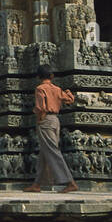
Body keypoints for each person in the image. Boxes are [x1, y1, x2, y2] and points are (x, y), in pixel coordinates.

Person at [24, 65, 78, 193]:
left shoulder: (40, 88)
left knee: (52, 150)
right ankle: (37, 184)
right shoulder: (57, 89)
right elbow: (70, 100)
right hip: (55, 121)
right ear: (52, 76)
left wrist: (39, 120)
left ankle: (70, 182)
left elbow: (40, 107)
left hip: (46, 120)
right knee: (45, 151)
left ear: (38, 77)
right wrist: (69, 92)